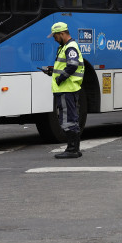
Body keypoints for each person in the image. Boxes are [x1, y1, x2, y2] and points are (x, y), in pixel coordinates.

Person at [41, 21, 84, 159]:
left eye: (55, 36)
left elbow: (72, 66)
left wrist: (60, 78)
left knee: (68, 118)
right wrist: (53, 71)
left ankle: (72, 150)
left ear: (62, 34)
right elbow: (67, 65)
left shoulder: (70, 47)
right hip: (68, 89)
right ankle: (74, 149)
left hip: (67, 89)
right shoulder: (66, 47)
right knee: (71, 117)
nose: (54, 39)